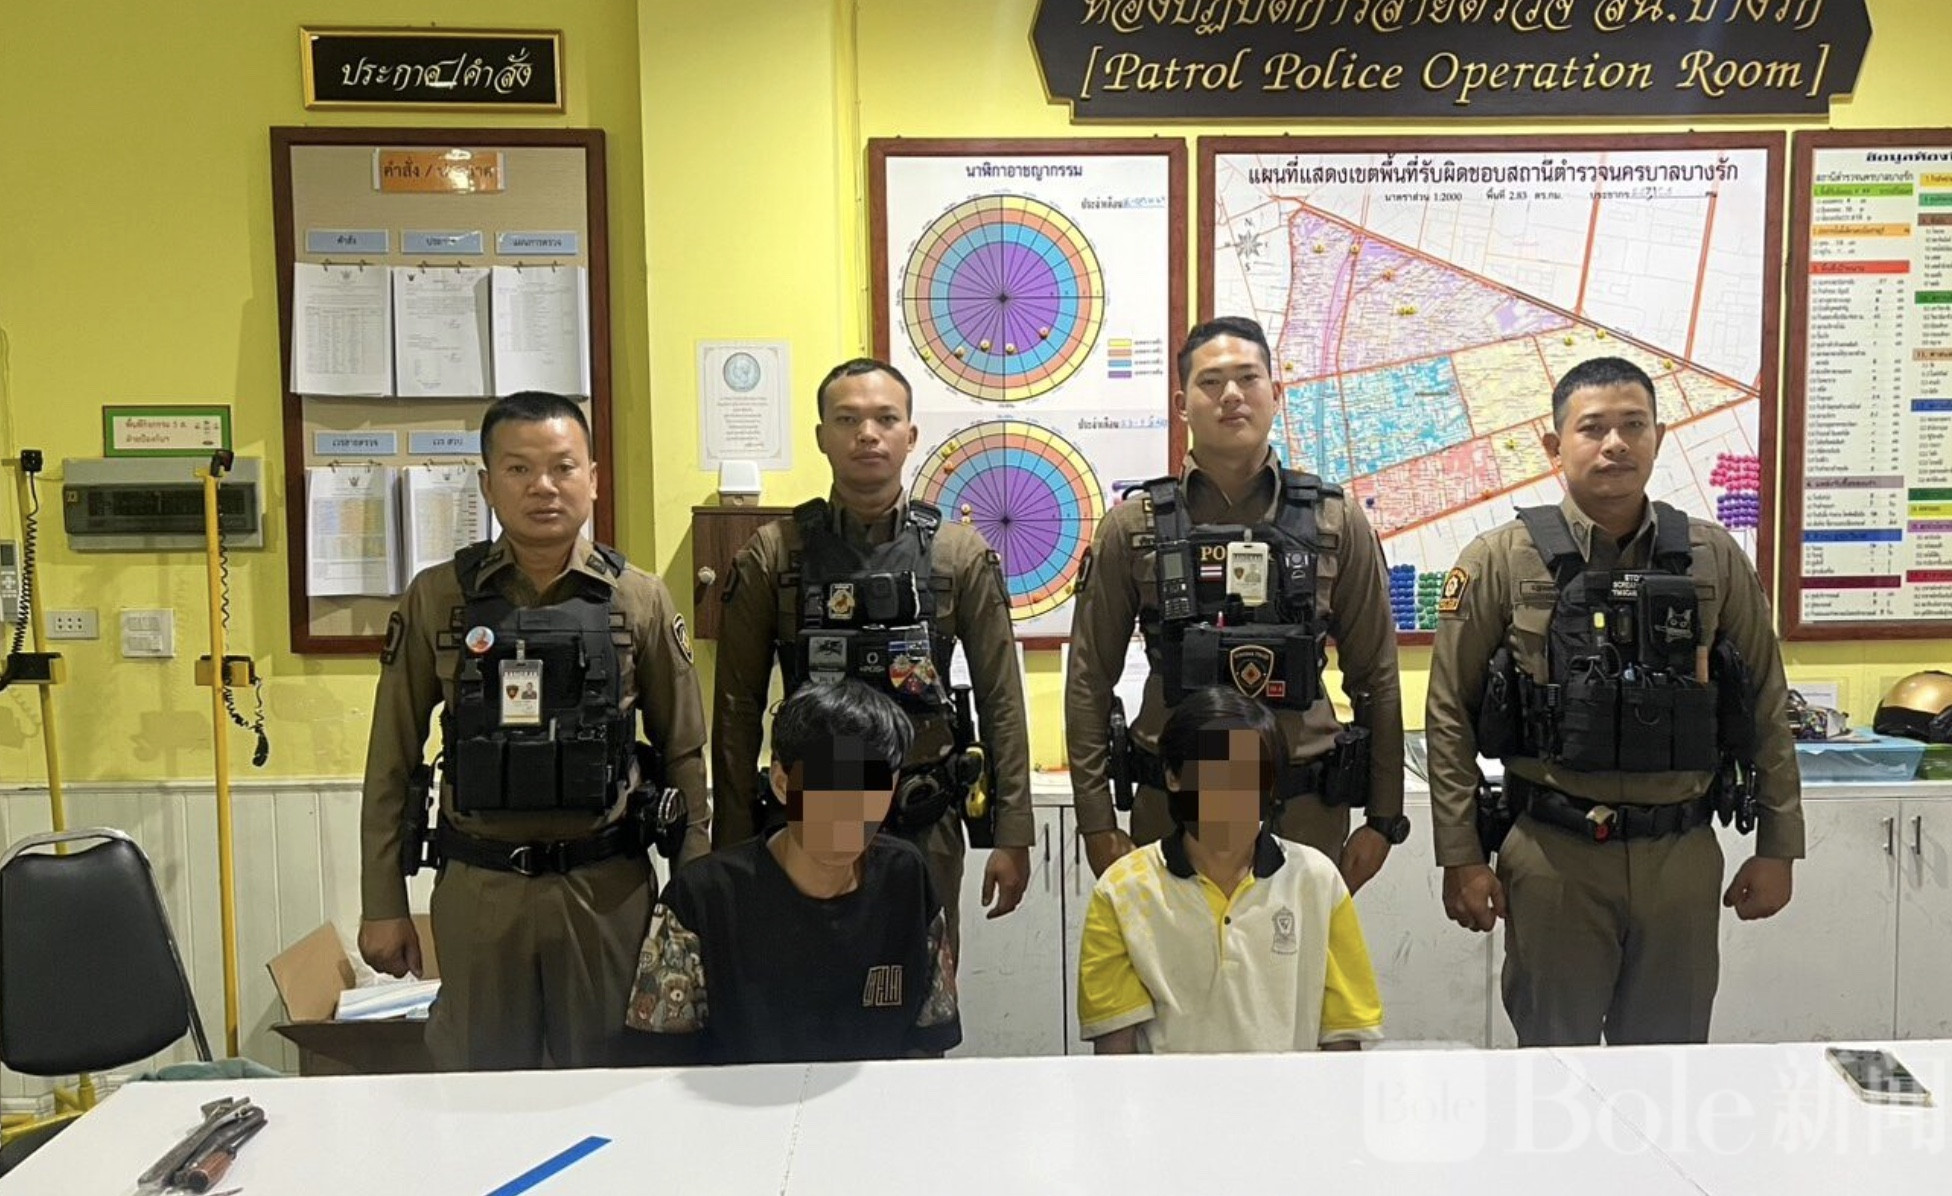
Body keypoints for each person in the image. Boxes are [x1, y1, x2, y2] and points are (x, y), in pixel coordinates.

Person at [1425, 356, 1803, 1046]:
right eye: (1593, 428)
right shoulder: (1499, 559)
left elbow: (1767, 706)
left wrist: (1779, 846)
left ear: (1660, 436)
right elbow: (1448, 712)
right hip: (1552, 853)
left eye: (1634, 426)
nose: (1616, 444)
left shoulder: (1715, 558)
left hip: (1681, 854)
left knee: (1668, 1068)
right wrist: (1461, 855)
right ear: (1555, 445)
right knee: (1552, 1065)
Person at [357, 391, 709, 1071]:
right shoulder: (438, 596)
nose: (543, 486)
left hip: (606, 889)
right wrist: (383, 903)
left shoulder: (637, 597)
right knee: (478, 1081)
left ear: (593, 479)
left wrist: (693, 897)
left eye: (562, 467)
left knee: (612, 1079)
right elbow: (391, 759)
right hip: (481, 889)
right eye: (518, 469)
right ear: (487, 484)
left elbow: (685, 755)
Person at [1065, 316, 1408, 890]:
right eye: (1210, 382)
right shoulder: (1132, 527)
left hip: (1306, 816)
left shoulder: (1335, 521)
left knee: (1299, 954)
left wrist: (1382, 819)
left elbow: (1376, 674)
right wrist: (1096, 822)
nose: (1230, 395)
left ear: (1276, 393)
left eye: (1248, 378)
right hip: (1170, 816)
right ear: (1182, 405)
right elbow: (1088, 680)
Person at [711, 357, 1032, 951]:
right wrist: (730, 843)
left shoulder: (957, 555)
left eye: (886, 418)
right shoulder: (774, 554)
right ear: (821, 437)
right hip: (801, 827)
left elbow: (1001, 701)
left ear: (910, 435)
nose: (867, 434)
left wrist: (1013, 832)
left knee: (922, 989)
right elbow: (736, 707)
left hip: (922, 817)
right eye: (847, 419)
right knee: (801, 984)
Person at [625, 679, 961, 1064]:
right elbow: (659, 1060)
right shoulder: (702, 898)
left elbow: (929, 1040)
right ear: (783, 783)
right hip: (735, 1099)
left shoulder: (906, 879)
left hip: (873, 1097)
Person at [1077, 687, 1383, 1054]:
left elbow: (1343, 1040)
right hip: (1166, 1093)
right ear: (1174, 776)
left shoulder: (1318, 881)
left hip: (1288, 1093)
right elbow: (1115, 1058)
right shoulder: (1121, 892)